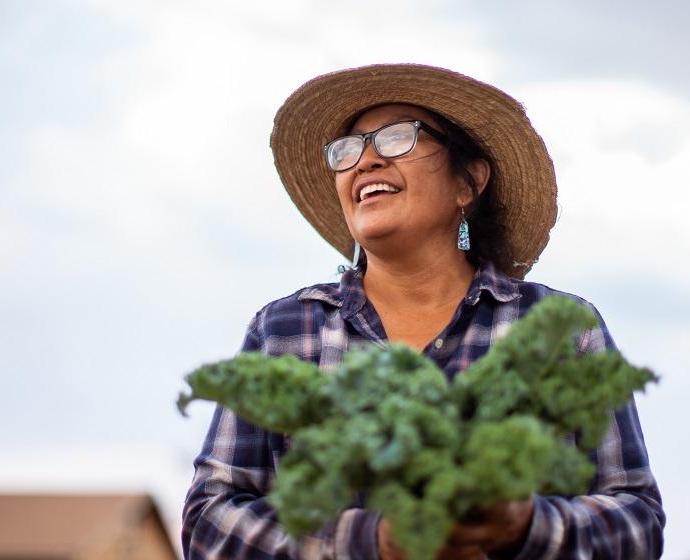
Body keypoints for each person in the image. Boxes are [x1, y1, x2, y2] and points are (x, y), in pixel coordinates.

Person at [182, 64, 665, 559]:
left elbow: (636, 522)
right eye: (348, 150)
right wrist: (367, 541)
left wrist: (525, 527)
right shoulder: (285, 331)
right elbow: (208, 522)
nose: (364, 161)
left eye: (396, 138)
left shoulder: (558, 331)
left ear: (468, 182)